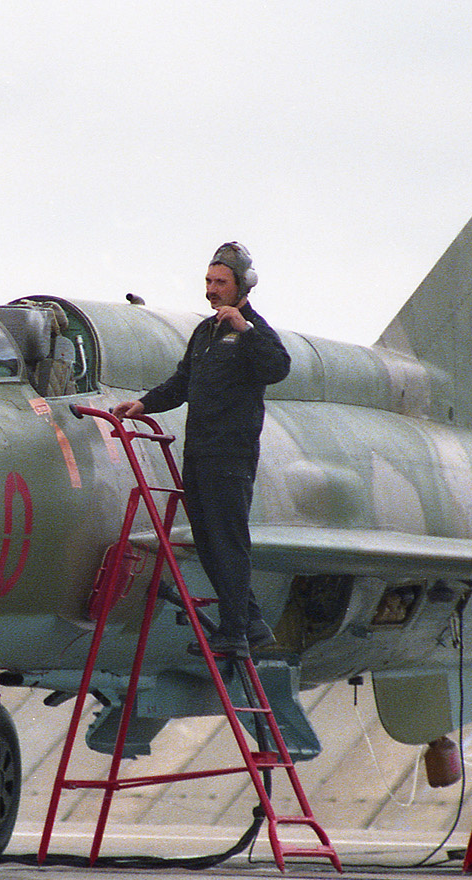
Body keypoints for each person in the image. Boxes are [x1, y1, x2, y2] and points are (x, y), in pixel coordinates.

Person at [113, 242, 291, 658]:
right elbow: (182, 383)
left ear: (242, 286)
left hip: (230, 455)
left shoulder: (255, 332)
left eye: (220, 283)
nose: (211, 290)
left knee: (227, 540)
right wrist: (143, 404)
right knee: (208, 542)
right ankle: (250, 623)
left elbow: (277, 368)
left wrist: (244, 330)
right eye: (209, 281)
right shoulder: (205, 332)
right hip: (199, 451)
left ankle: (234, 634)